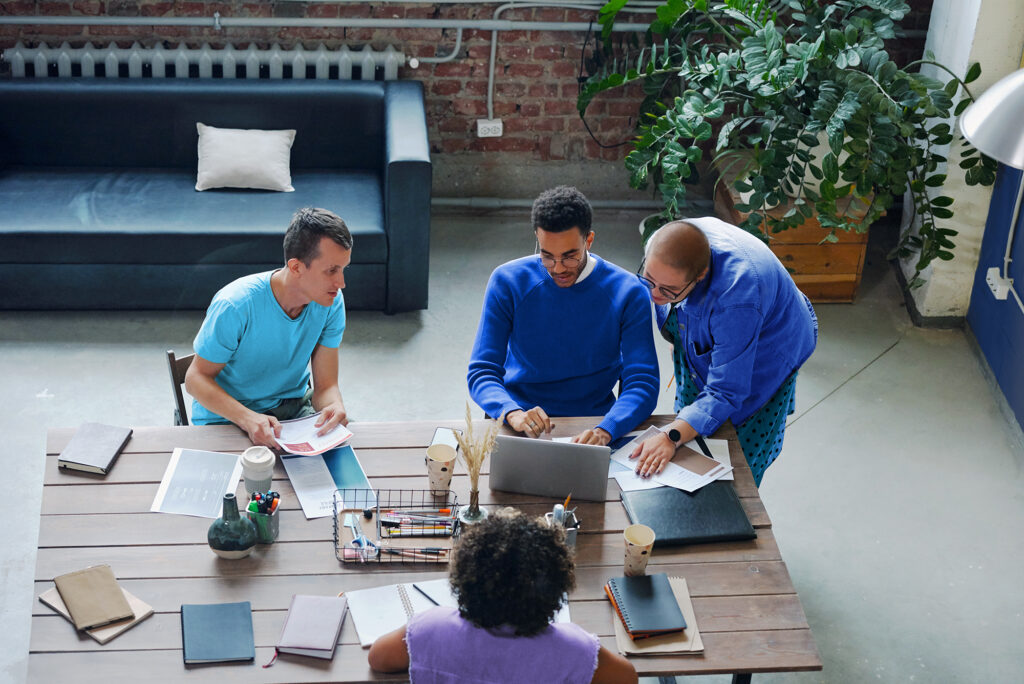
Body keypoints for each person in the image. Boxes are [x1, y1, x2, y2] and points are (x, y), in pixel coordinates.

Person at [629, 217, 818, 486]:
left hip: (769, 349)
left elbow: (727, 390)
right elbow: (667, 293)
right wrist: (678, 334)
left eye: (668, 290)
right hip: (723, 315)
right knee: (692, 424)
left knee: (737, 461)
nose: (654, 295)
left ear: (700, 277)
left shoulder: (737, 299)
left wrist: (670, 436)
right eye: (648, 280)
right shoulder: (667, 242)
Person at [467, 185, 659, 445]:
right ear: (537, 238)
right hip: (519, 420)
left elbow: (642, 382)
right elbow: (482, 371)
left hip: (593, 426)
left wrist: (607, 429)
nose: (557, 269)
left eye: (570, 257)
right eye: (547, 256)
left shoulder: (628, 292)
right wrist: (511, 413)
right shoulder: (507, 281)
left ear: (589, 241)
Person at [367, 510, 638, 684]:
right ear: (555, 589)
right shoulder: (574, 649)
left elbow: (378, 658)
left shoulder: (430, 629)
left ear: (465, 579)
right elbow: (628, 678)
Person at [185, 207, 352, 447]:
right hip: (227, 418)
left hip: (292, 412)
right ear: (295, 267)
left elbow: (326, 386)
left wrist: (334, 406)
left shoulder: (331, 301)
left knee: (348, 465)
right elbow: (195, 378)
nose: (341, 283)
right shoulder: (235, 305)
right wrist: (249, 419)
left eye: (344, 269)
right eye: (331, 271)